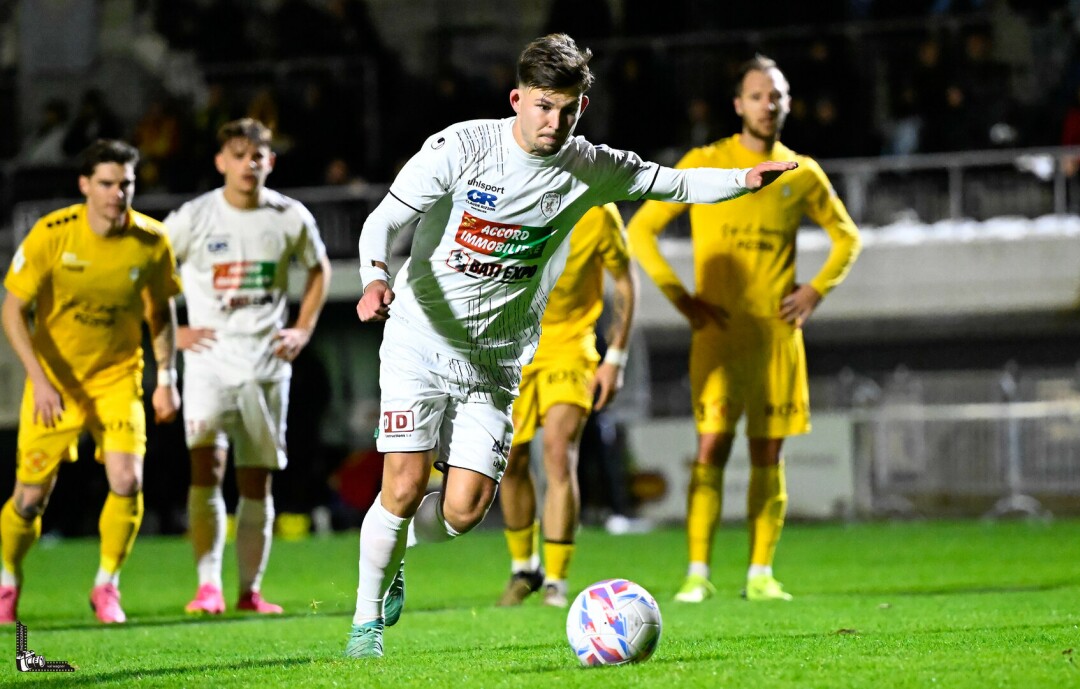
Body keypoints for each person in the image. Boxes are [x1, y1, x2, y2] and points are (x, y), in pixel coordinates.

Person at [345, 33, 796, 659]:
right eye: (542, 107)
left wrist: (744, 179)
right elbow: (384, 219)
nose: (553, 122)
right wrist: (373, 275)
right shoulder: (460, 147)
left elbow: (673, 184)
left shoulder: (587, 166)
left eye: (567, 109)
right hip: (419, 340)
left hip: (497, 360)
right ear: (517, 99)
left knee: (466, 509)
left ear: (580, 108)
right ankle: (366, 626)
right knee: (403, 482)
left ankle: (395, 549)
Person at [626, 54, 861, 604]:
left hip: (778, 338)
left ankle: (760, 573)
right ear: (738, 104)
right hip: (718, 336)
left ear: (787, 103)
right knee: (710, 449)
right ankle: (697, 573)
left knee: (768, 456)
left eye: (776, 94)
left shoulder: (801, 172)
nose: (768, 103)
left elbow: (847, 237)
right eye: (757, 94)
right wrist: (679, 295)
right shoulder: (706, 164)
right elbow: (642, 230)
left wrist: (816, 290)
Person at [0, 140, 182, 624]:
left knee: (127, 479)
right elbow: (12, 310)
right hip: (55, 382)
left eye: (125, 183)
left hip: (118, 378)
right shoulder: (51, 234)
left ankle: (107, 586)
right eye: (105, 183)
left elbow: (161, 312)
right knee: (30, 496)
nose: (116, 193)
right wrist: (38, 380)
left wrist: (167, 377)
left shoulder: (152, 240)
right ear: (85, 185)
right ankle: (8, 580)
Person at [162, 118, 331, 615]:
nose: (248, 164)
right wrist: (176, 332)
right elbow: (150, 271)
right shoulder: (193, 217)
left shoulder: (288, 215)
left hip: (265, 364)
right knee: (206, 467)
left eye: (257, 156)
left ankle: (248, 591)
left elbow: (319, 270)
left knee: (256, 479)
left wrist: (301, 328)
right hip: (209, 362)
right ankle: (208, 585)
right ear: (221, 162)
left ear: (269, 162)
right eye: (238, 154)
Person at [496, 203, 637, 608]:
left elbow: (625, 280)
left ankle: (556, 581)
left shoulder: (597, 210)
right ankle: (525, 569)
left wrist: (616, 358)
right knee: (511, 459)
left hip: (571, 348)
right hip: (510, 349)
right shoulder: (509, 197)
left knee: (559, 452)